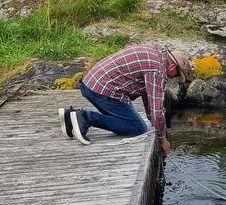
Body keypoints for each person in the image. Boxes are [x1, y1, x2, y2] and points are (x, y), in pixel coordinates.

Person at [58, 44, 191, 155]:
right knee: (137, 127)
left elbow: (148, 97)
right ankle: (86, 117)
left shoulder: (153, 53)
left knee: (128, 118)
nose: (173, 78)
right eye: (177, 75)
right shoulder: (157, 70)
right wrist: (163, 139)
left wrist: (154, 124)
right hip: (103, 90)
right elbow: (157, 110)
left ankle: (70, 117)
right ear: (173, 66)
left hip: (90, 84)